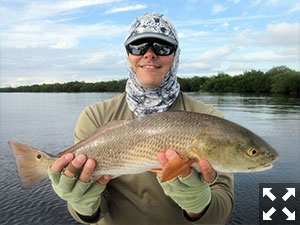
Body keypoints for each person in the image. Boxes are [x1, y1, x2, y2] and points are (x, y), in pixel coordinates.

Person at [48, 12, 234, 225]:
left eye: (162, 47)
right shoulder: (95, 116)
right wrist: (82, 204)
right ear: (127, 55)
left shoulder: (209, 119)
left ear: (176, 54)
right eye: (138, 46)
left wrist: (199, 206)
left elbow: (223, 208)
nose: (149, 54)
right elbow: (91, 213)